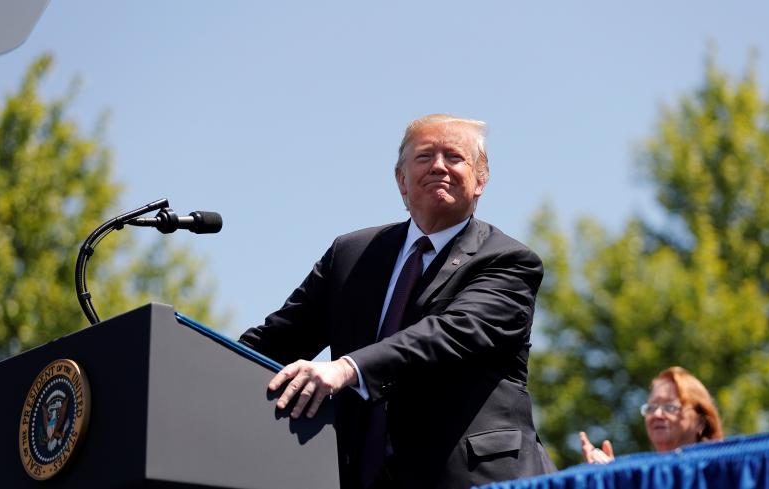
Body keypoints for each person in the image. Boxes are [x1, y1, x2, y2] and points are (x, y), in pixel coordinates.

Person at [239, 114, 556, 488]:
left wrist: (346, 369)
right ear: (401, 180)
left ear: (481, 181)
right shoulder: (351, 254)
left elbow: (448, 334)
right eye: (424, 156)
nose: (439, 166)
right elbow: (276, 340)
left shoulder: (508, 260)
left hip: (472, 477)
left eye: (455, 157)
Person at [579, 366, 723, 464]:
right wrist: (610, 478)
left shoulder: (720, 471)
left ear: (701, 421)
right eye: (651, 407)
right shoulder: (639, 477)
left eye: (670, 407)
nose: (657, 414)